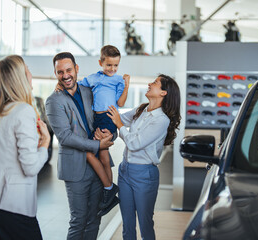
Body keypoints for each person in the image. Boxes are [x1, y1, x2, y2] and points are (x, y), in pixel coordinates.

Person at [0, 55, 51, 240]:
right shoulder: (24, 110)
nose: (30, 74)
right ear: (20, 77)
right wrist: (44, 145)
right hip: (11, 204)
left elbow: (5, 154)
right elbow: (30, 168)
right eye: (27, 69)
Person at [45, 52, 114, 239]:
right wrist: (97, 145)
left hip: (97, 163)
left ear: (76, 69)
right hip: (76, 168)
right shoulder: (54, 101)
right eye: (60, 72)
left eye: (68, 70)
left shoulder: (89, 91)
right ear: (55, 74)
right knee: (79, 220)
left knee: (95, 219)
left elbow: (102, 116)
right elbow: (65, 137)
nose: (65, 75)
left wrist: (108, 134)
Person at [105, 74, 181, 240]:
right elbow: (116, 119)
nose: (149, 84)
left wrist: (119, 124)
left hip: (144, 175)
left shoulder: (162, 120)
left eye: (154, 83)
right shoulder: (142, 109)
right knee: (127, 223)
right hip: (125, 170)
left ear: (164, 93)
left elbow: (134, 143)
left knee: (145, 224)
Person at [78, 45, 130, 212]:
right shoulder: (93, 78)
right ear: (100, 62)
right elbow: (78, 86)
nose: (112, 69)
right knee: (101, 154)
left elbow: (121, 103)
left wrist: (127, 85)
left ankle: (108, 188)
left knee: (97, 153)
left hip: (108, 119)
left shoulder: (118, 80)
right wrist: (60, 86)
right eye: (109, 65)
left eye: (116, 65)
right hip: (96, 119)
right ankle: (108, 189)